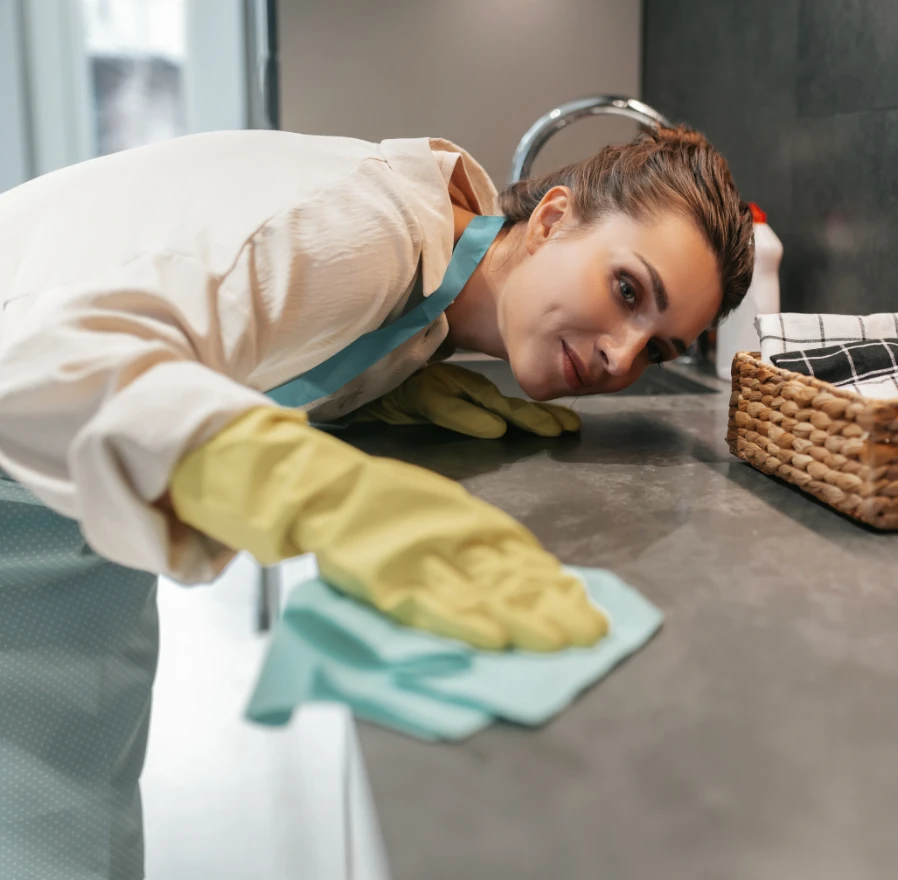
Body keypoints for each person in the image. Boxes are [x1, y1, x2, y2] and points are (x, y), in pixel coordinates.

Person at [0, 124, 753, 879]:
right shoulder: (365, 229)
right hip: (27, 450)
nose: (621, 356)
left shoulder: (431, 286)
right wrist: (317, 491)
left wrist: (366, 387)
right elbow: (36, 357)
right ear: (553, 218)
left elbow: (257, 327)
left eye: (656, 347)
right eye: (628, 290)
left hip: (60, 508)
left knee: (73, 830)